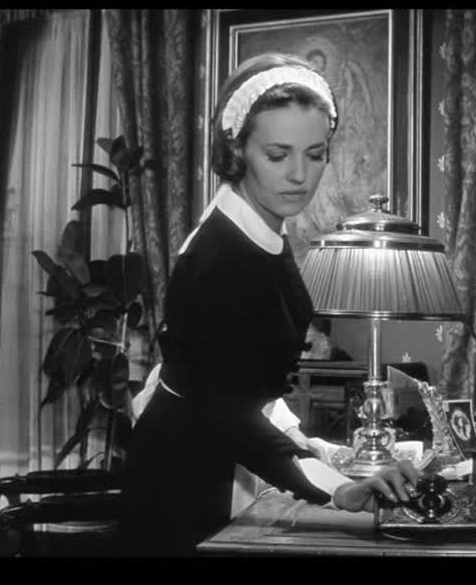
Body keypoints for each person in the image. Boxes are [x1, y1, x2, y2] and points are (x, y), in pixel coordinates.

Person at [119, 52, 417, 556]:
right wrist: (336, 486)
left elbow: (244, 393)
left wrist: (326, 458)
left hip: (217, 455)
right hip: (179, 479)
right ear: (237, 151)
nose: (300, 175)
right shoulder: (218, 258)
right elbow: (227, 411)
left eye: (316, 153)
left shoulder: (257, 231)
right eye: (278, 156)